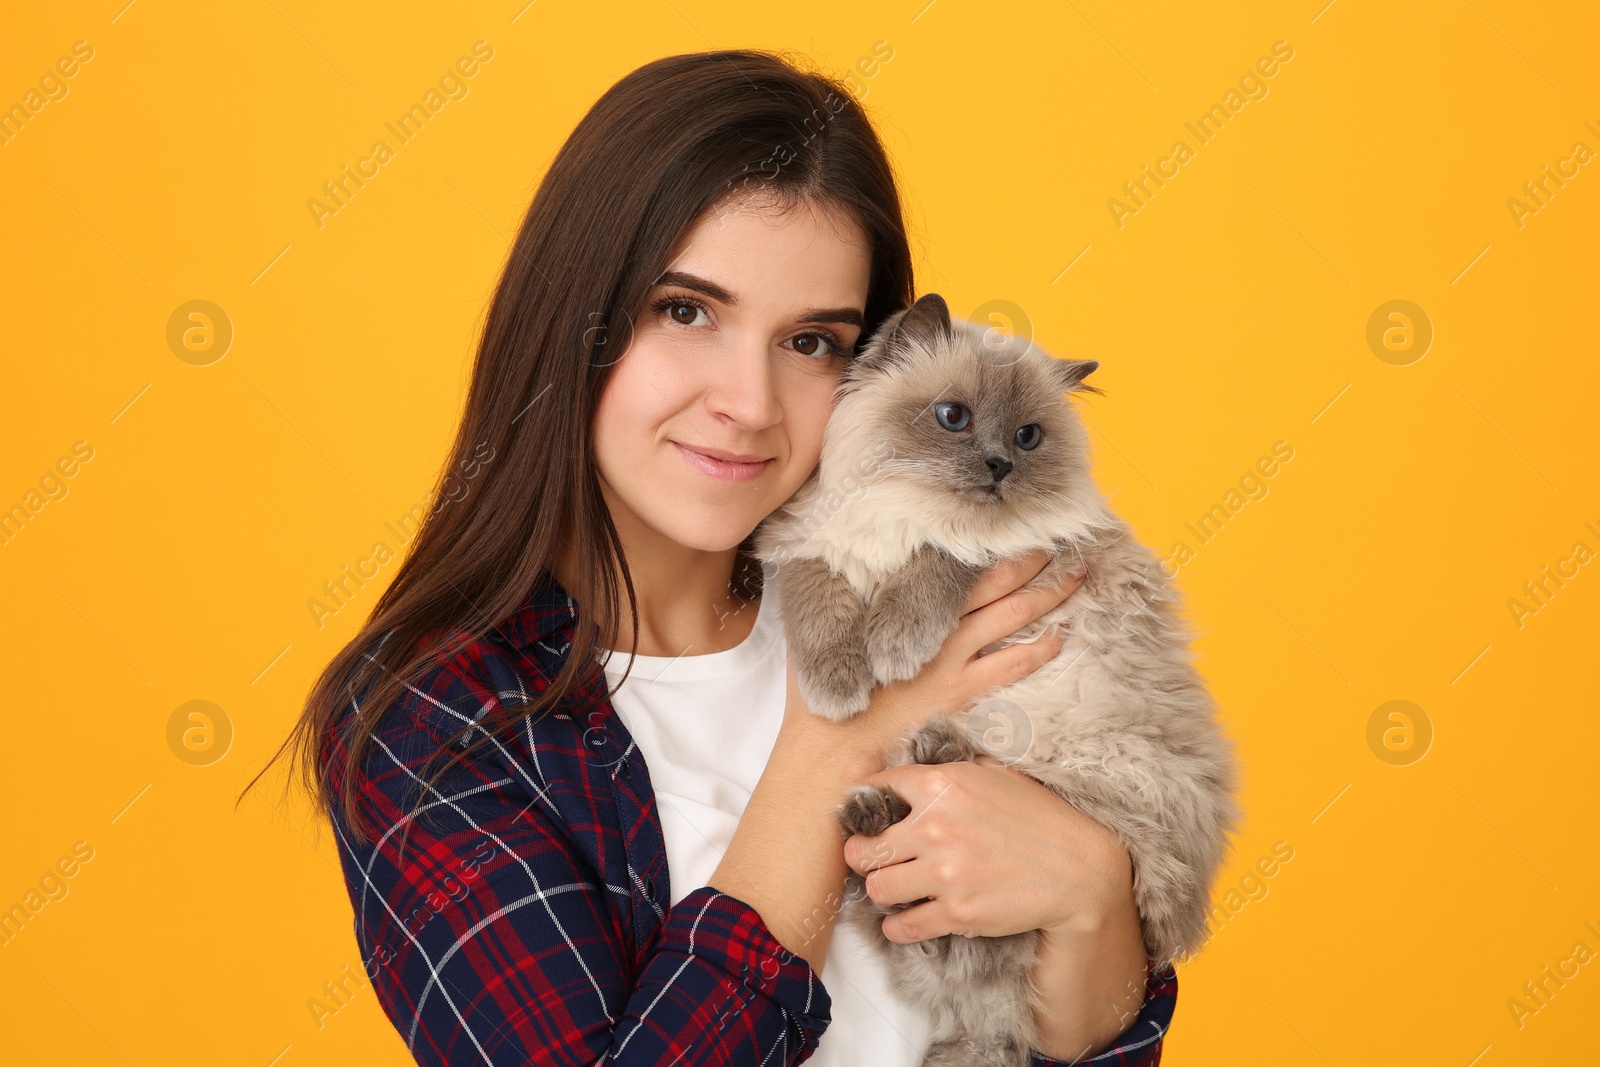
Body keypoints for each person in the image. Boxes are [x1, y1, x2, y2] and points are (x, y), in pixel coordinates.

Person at [249, 48, 1176, 1066]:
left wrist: (1095, 899)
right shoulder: (437, 712)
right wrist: (836, 744)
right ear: (575, 318)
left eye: (812, 341)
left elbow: (1069, 1031)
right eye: (686, 310)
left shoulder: (956, 605)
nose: (747, 402)